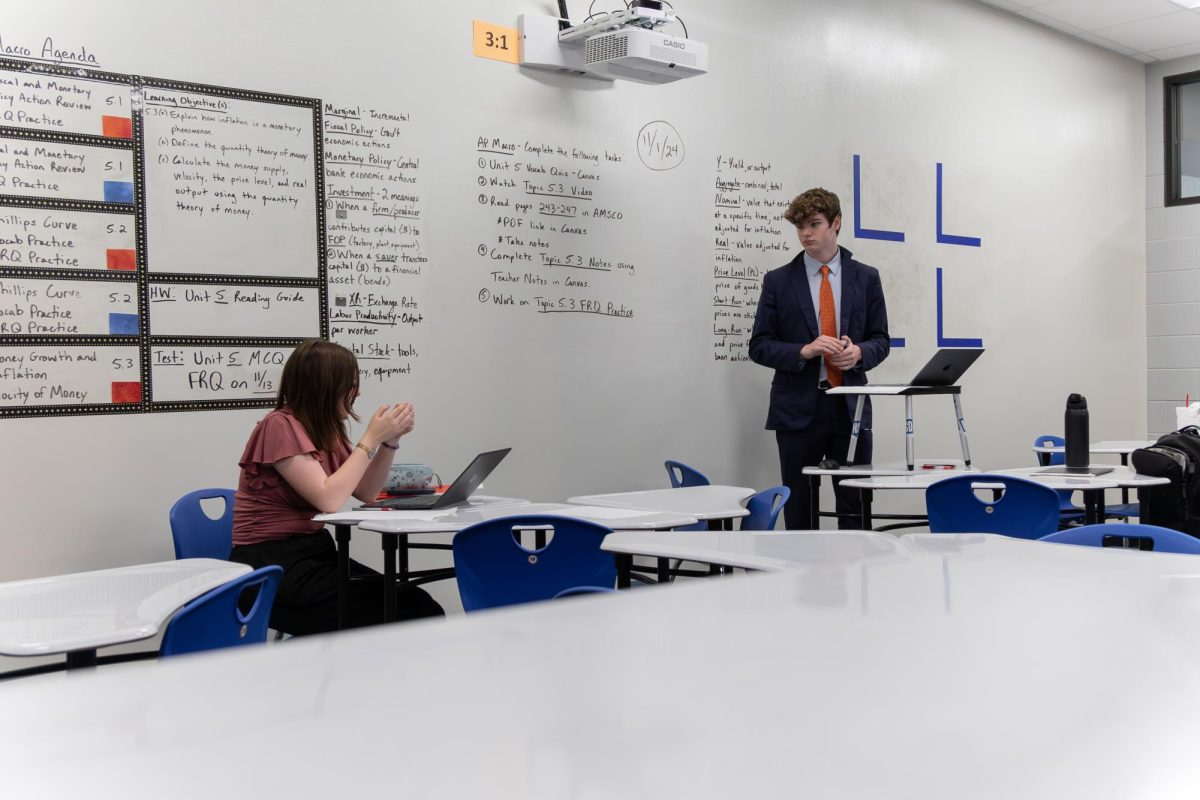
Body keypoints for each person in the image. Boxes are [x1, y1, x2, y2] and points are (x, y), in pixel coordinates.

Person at [230, 339, 444, 635]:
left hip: (314, 554)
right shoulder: (278, 425)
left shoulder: (325, 428)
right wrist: (370, 438)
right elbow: (329, 499)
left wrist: (389, 442)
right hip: (272, 566)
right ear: (324, 386)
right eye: (351, 384)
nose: (358, 392)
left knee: (417, 605)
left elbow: (366, 492)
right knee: (413, 610)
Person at [749, 187, 890, 529]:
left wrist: (859, 353)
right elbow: (759, 345)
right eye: (800, 227)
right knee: (799, 513)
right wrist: (804, 350)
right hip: (797, 411)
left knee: (855, 509)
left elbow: (881, 341)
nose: (806, 234)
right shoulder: (778, 281)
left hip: (850, 409)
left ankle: (856, 578)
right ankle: (803, 580)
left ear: (836, 223)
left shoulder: (866, 277)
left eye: (814, 224)